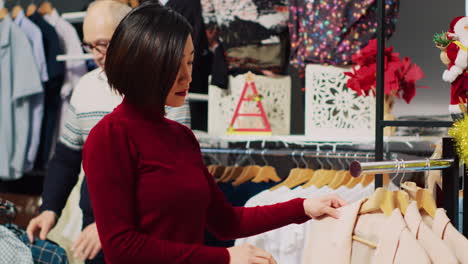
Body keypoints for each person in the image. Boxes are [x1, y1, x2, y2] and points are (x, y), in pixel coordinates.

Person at [82, 3, 347, 264]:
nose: (187, 76)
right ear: (146, 65)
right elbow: (121, 248)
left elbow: (227, 222)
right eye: (177, 64)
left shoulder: (181, 137)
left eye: (190, 62)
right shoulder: (109, 137)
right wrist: (224, 256)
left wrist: (302, 207)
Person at [26, 1, 190, 263]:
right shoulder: (86, 88)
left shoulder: (166, 88)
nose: (96, 55)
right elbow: (67, 157)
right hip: (96, 237)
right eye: (90, 45)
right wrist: (49, 209)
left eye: (102, 44)